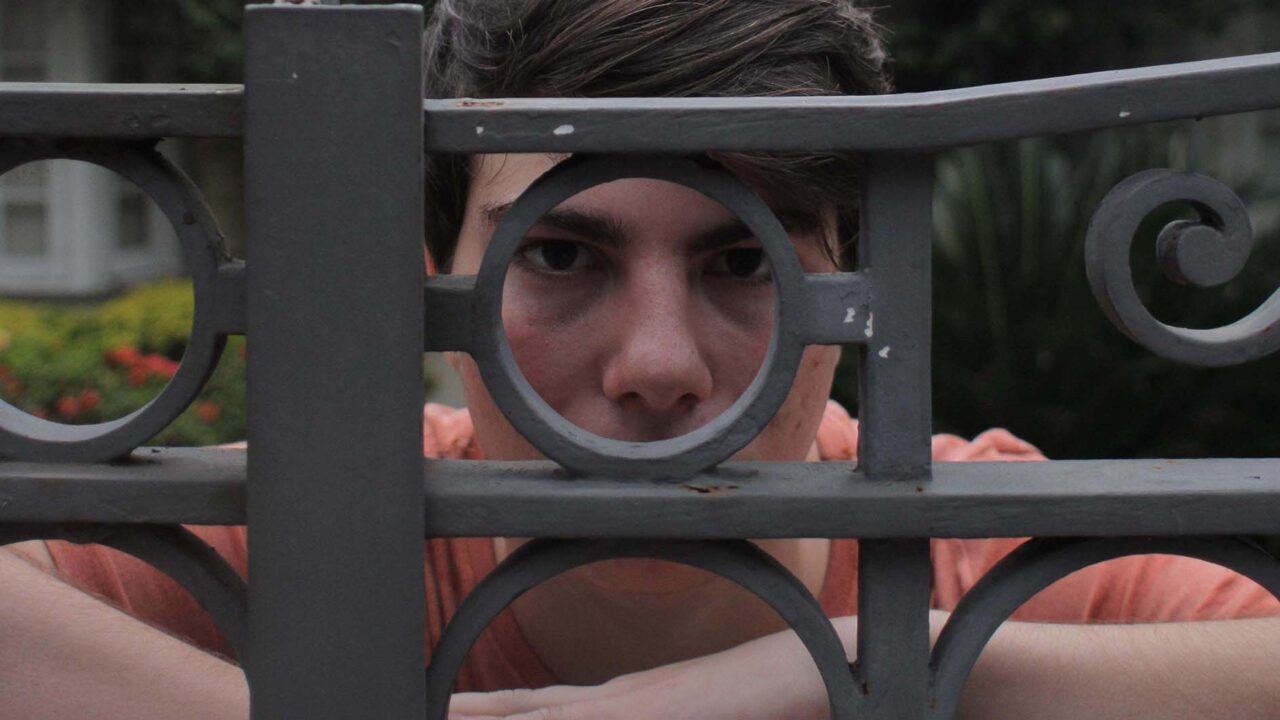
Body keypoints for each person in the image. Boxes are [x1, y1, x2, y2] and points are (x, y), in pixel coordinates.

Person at [2, 1, 1279, 718]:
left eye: (743, 263)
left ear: (857, 289)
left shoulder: (984, 562)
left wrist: (913, 661)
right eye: (559, 255)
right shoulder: (302, 548)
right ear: (431, 283)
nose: (656, 368)